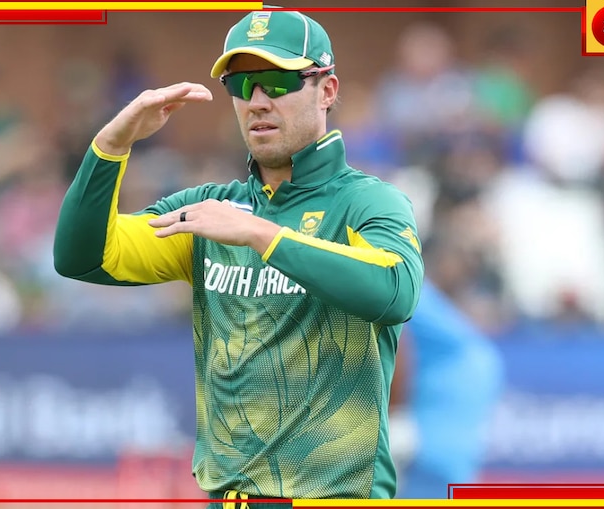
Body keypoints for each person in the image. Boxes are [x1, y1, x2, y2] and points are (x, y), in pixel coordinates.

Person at [53, 8, 424, 504]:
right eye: (242, 84)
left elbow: (396, 292)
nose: (257, 101)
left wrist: (260, 234)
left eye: (278, 81)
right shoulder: (210, 210)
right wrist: (110, 145)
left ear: (327, 90)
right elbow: (81, 257)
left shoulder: (368, 202)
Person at [392, 278, 504, 499]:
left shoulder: (462, 347)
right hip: (432, 464)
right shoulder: (465, 349)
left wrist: (397, 416)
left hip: (435, 465)